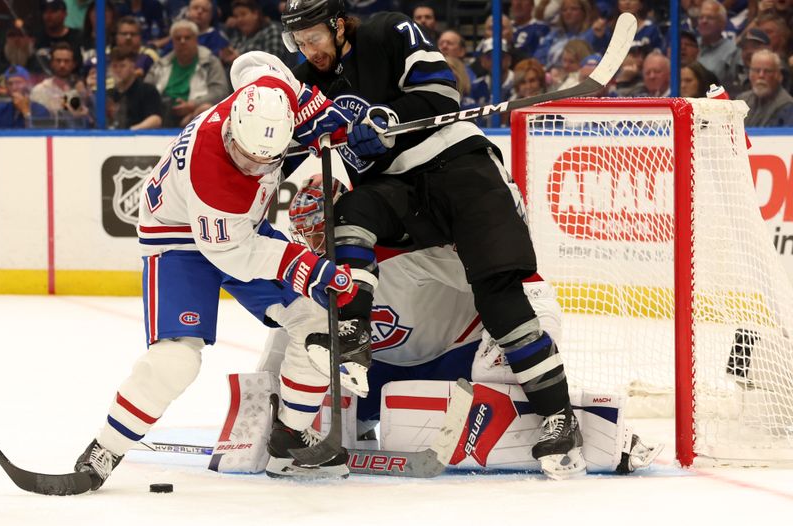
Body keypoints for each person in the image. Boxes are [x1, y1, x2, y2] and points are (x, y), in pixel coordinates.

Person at [281, 0, 585, 479]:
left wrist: (386, 115)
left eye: (314, 37)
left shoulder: (385, 31)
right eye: (298, 42)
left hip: (460, 167)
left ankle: (558, 413)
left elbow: (442, 93)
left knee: (499, 299)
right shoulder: (308, 82)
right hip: (398, 190)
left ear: (339, 25)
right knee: (351, 212)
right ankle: (352, 331)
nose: (308, 50)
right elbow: (282, 143)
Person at [73, 51, 361, 489]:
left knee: (318, 322)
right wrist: (305, 267)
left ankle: (289, 436)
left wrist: (320, 113)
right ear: (230, 133)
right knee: (176, 359)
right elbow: (235, 255)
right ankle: (103, 451)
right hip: (180, 241)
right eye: (247, 158)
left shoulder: (267, 96)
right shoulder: (214, 175)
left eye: (268, 160)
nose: (256, 169)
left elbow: (252, 62)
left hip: (241, 230)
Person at [145, 19, 229, 127]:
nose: (182, 41)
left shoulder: (210, 62)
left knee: (205, 109)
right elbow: (146, 91)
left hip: (193, 115)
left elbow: (220, 92)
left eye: (187, 38)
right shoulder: (161, 64)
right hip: (162, 114)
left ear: (196, 39)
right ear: (172, 42)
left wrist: (193, 105)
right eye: (178, 38)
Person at [221, 0, 294, 69]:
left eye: (243, 14)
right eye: (236, 16)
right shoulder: (237, 35)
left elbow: (272, 61)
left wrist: (240, 59)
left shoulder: (272, 30)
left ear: (255, 14)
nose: (239, 19)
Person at [107, 47, 163, 129]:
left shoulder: (147, 91)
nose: (118, 70)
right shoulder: (109, 94)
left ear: (133, 66)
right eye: (114, 66)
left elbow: (156, 120)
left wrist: (132, 131)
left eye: (122, 66)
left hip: (142, 138)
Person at [738, 48, 793, 127]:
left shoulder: (787, 106)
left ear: (778, 75)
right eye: (756, 70)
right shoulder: (742, 100)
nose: (761, 75)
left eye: (767, 71)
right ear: (749, 74)